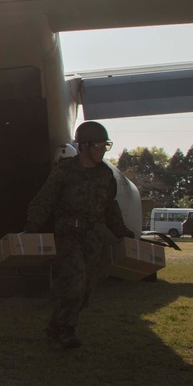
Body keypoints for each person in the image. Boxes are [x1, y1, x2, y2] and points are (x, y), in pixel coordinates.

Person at [24, 121, 133, 349]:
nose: (103, 150)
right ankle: (67, 330)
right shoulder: (64, 171)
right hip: (68, 236)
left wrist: (123, 233)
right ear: (84, 146)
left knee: (86, 290)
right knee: (74, 284)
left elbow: (110, 207)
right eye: (99, 145)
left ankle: (56, 325)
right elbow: (45, 199)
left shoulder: (105, 175)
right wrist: (32, 226)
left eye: (106, 145)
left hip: (93, 238)